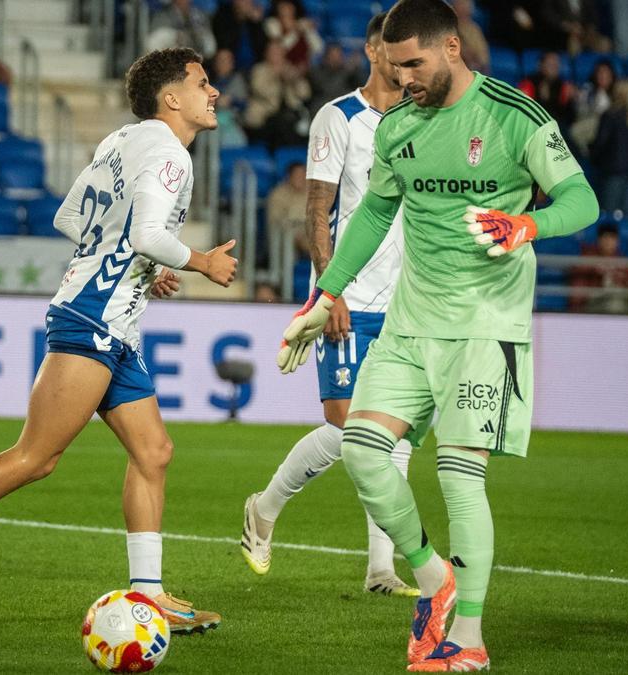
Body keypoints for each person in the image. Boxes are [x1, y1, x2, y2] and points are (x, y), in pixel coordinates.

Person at [0, 48, 236, 635]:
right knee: (36, 457)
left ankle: (149, 596)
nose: (213, 92)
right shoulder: (171, 153)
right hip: (92, 318)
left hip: (111, 323)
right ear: (171, 98)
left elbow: (69, 218)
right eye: (202, 82)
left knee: (154, 452)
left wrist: (140, 264)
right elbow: (146, 233)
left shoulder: (122, 140)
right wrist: (198, 261)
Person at [275, 0, 599, 670]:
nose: (403, 80)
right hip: (409, 323)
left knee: (459, 478)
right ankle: (433, 577)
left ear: (452, 47)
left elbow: (582, 200)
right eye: (394, 68)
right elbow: (372, 215)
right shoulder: (398, 126)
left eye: (414, 65)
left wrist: (528, 225)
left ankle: (469, 640)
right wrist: (326, 294)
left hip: (484, 327)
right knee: (362, 450)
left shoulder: (515, 117)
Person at [242, 14, 418, 598]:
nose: (400, 60)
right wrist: (329, 289)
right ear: (371, 50)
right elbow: (318, 207)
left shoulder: (422, 119)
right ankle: (264, 508)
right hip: (349, 295)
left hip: (406, 301)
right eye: (391, 48)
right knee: (348, 428)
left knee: (396, 435)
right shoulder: (338, 117)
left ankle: (381, 570)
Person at [591, 80, 628, 217]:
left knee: (609, 214)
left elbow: (600, 143)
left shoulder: (610, 115)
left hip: (613, 171)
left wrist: (594, 160)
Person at [264, 161, 312, 259]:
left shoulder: (312, 193)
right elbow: (276, 219)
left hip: (310, 229)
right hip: (287, 232)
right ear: (289, 177)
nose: (300, 178)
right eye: (297, 175)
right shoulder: (278, 194)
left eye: (303, 175)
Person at [263, 0, 323, 71]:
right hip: (281, 67)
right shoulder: (272, 24)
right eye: (283, 6)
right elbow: (279, 49)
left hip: (303, 67)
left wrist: (309, 31)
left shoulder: (302, 23)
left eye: (289, 6)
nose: (286, 9)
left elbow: (319, 48)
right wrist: (296, 32)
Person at [147, 0, 216, 58]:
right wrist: (175, 36)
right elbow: (152, 45)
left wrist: (198, 37)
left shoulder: (199, 15)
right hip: (170, 62)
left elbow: (210, 49)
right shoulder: (162, 16)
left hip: (198, 61)